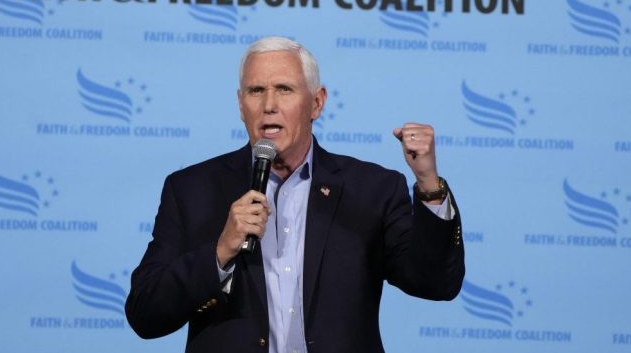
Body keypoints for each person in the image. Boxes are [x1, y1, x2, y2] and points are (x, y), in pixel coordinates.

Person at [125, 37, 464, 353]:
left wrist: (428, 185)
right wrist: (219, 252)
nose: (269, 105)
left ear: (316, 103)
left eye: (284, 89)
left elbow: (436, 284)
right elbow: (145, 314)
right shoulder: (191, 189)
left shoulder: (371, 189)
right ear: (241, 105)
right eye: (256, 91)